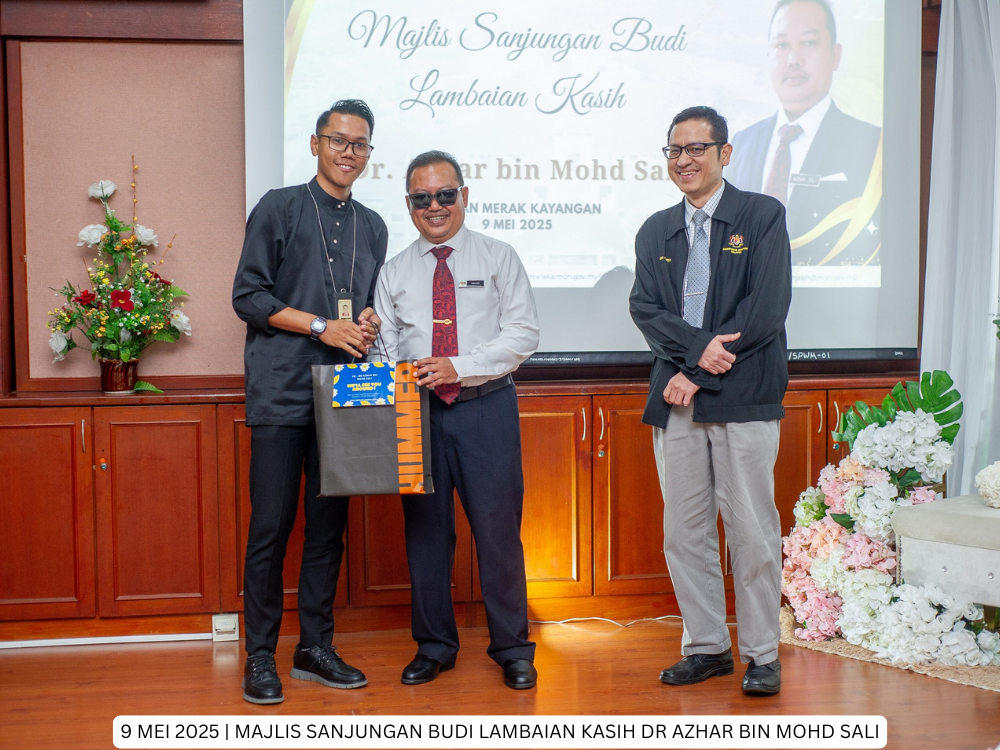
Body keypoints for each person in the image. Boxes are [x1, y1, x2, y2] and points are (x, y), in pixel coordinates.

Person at [629, 106, 792, 695]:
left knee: (751, 531)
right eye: (675, 150)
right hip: (676, 401)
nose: (685, 160)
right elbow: (646, 310)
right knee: (684, 532)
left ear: (725, 153)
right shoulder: (655, 230)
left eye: (697, 148)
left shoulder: (762, 215)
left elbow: (765, 309)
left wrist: (696, 371)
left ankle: (762, 654)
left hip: (743, 397)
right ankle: (706, 647)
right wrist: (697, 355)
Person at [232, 99, 387, 704]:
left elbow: (367, 301)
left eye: (359, 144)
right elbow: (248, 297)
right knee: (270, 529)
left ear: (368, 154)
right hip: (281, 391)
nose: (349, 152)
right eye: (338, 140)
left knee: (328, 531)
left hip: (343, 397)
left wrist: (368, 319)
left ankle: (314, 648)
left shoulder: (373, 224)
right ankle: (260, 655)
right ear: (316, 144)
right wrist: (323, 326)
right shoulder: (280, 206)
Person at [374, 150, 540, 690]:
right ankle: (434, 646)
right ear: (409, 204)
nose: (435, 206)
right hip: (415, 412)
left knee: (497, 532)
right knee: (426, 535)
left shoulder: (498, 256)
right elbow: (383, 348)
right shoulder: (394, 271)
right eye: (422, 198)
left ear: (464, 196)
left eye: (446, 195)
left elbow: (523, 334)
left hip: (486, 407)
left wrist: (459, 366)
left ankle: (513, 648)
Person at [726, 0, 881, 267]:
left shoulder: (871, 144)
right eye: (782, 45)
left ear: (835, 55)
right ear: (768, 55)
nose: (793, 60)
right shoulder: (742, 143)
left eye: (809, 42)